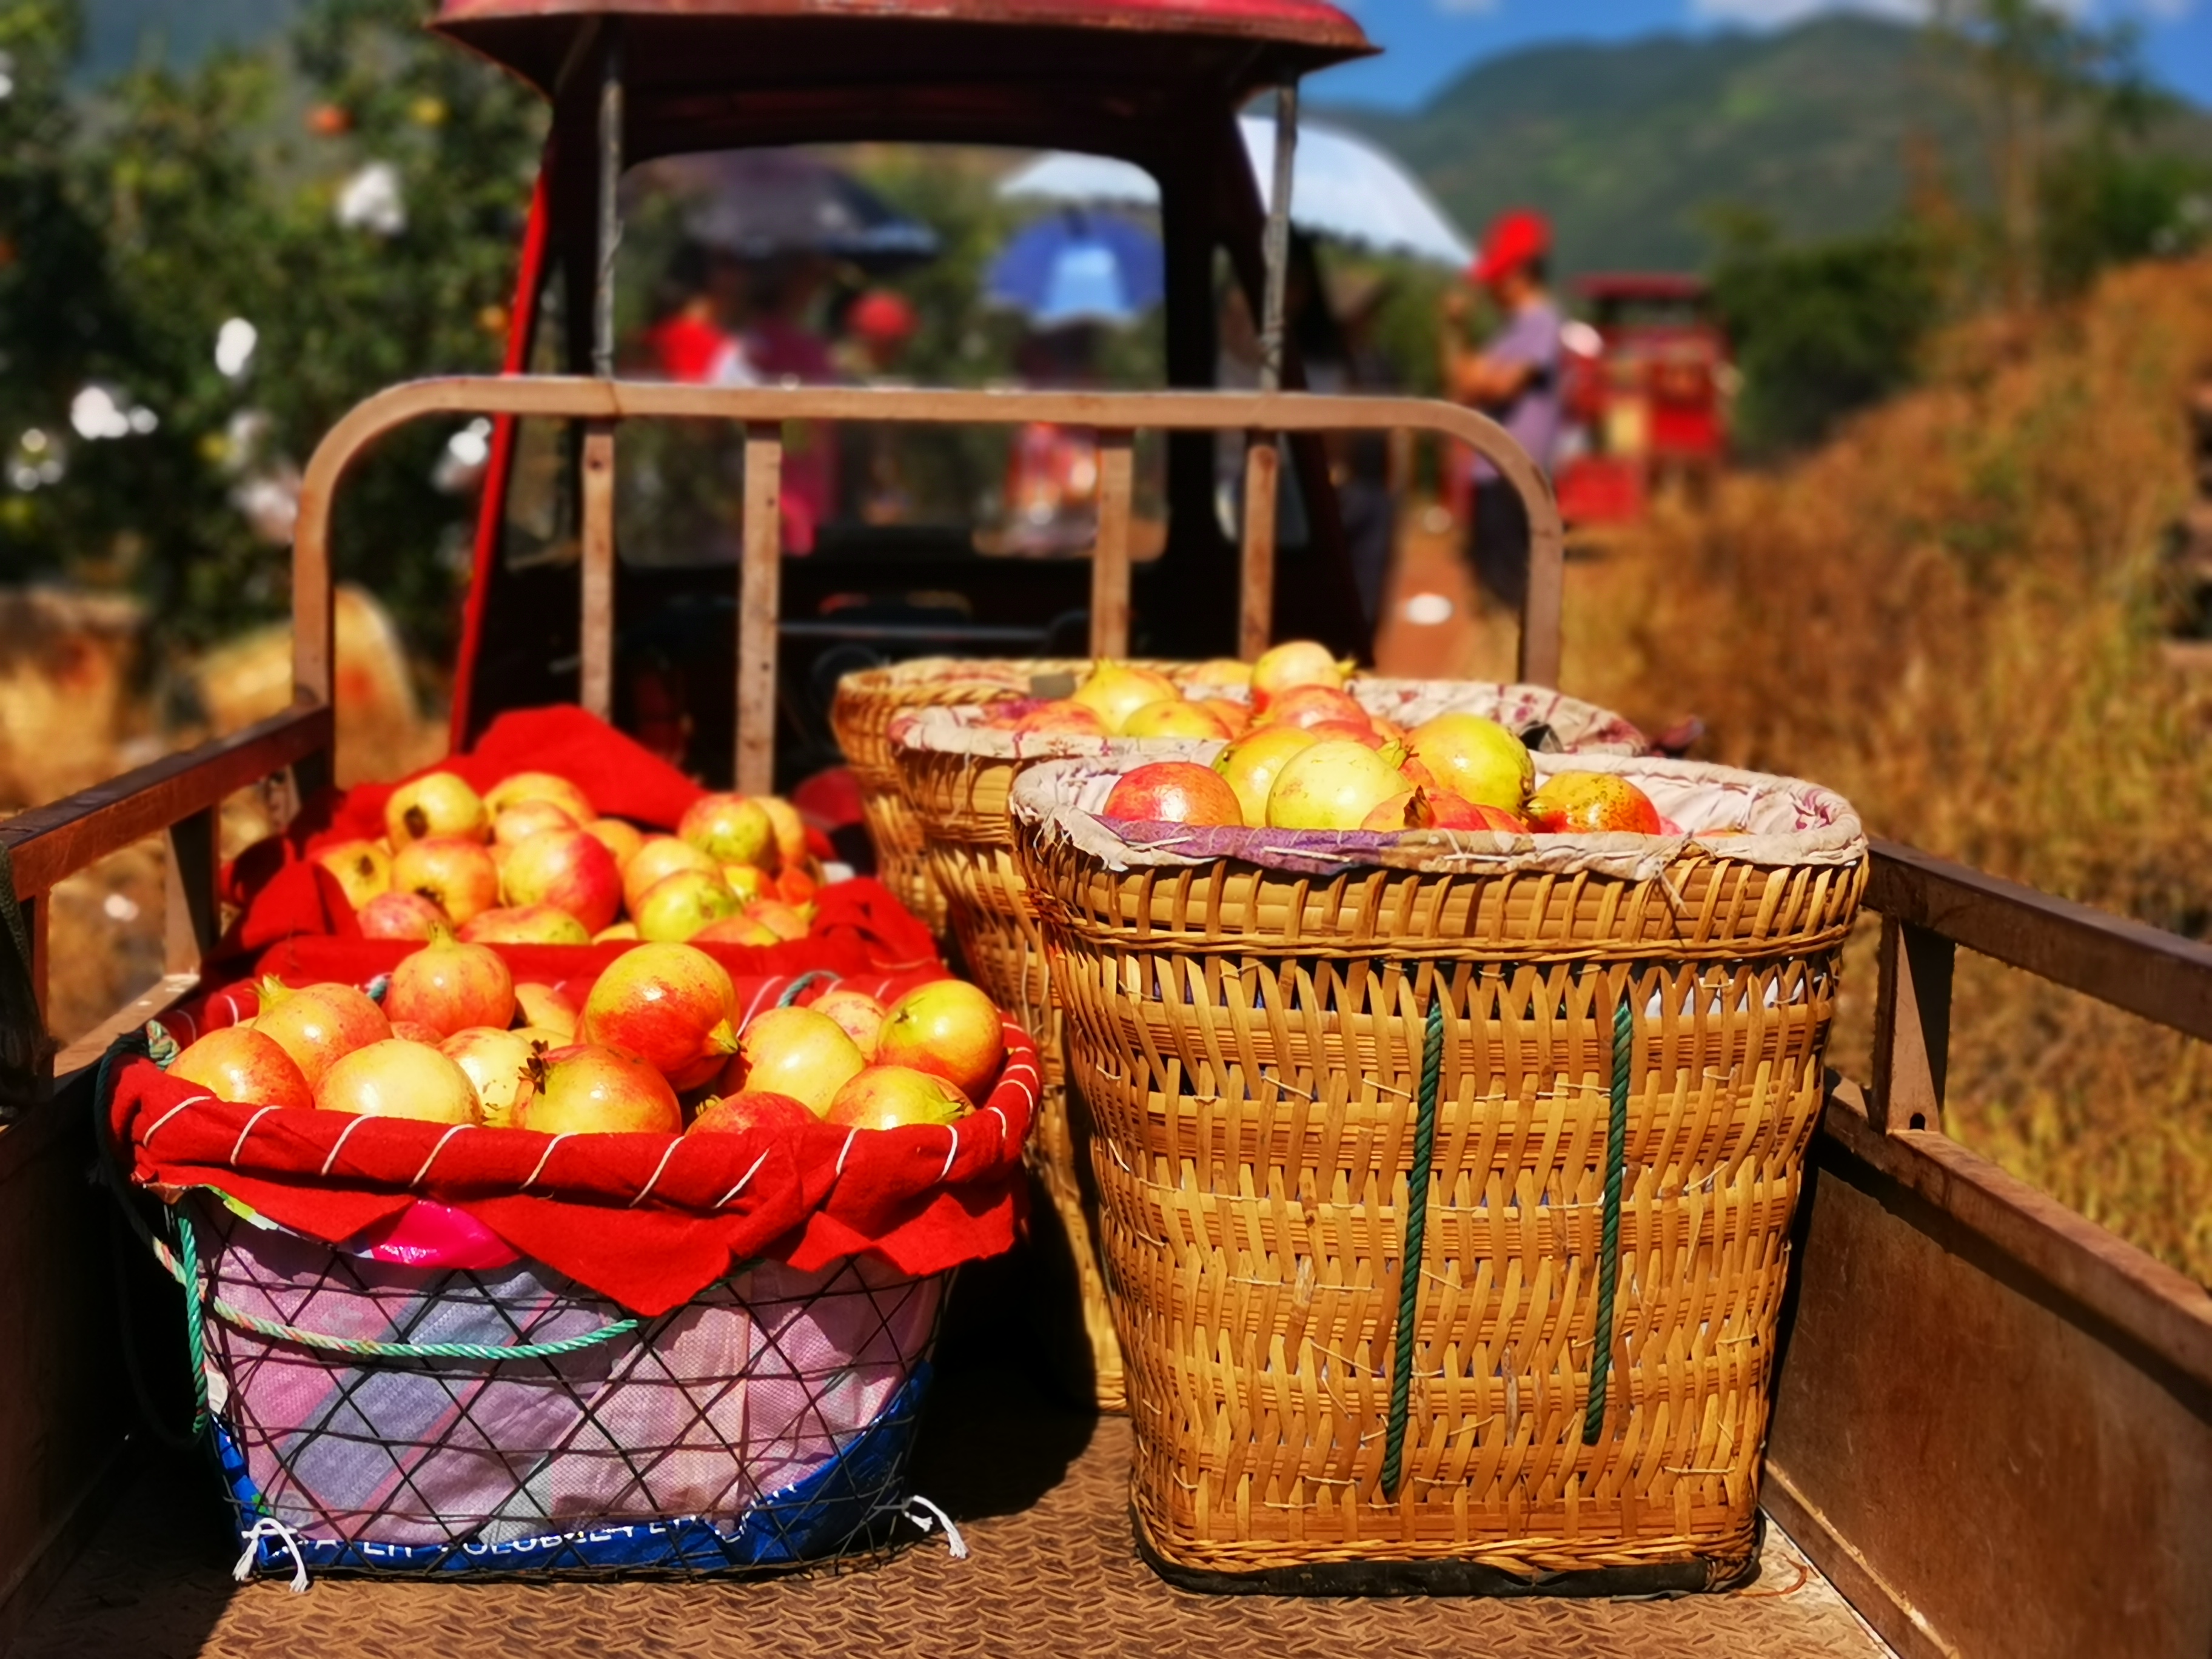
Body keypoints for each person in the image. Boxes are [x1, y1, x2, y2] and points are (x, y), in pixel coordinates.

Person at [1439, 208, 1563, 614]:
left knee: (1507, 587)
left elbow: (1496, 385)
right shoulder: (1511, 331)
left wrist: (1479, 376)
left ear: (1518, 275)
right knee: (1490, 580)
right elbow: (1462, 383)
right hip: (1493, 474)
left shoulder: (1540, 322)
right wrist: (1456, 331)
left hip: (1512, 475)